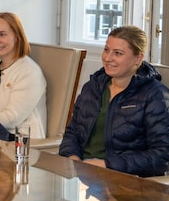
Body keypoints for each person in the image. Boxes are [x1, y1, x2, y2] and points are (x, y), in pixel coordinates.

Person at [58, 26, 169, 177]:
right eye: (106, 50)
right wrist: (72, 158)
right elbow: (72, 133)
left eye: (118, 53)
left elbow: (161, 155)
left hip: (125, 181)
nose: (108, 58)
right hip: (81, 175)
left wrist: (107, 165)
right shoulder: (93, 87)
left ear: (138, 58)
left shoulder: (155, 95)